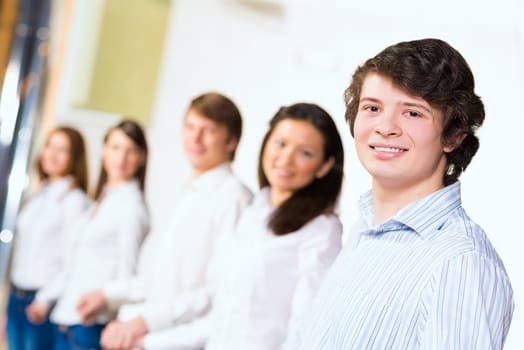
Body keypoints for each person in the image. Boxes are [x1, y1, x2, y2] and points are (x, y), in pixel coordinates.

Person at [282, 38, 514, 349]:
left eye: (413, 113)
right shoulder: (363, 229)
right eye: (372, 108)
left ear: (454, 136)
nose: (385, 127)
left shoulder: (461, 262)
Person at [135, 102, 345, 350]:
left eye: (305, 153)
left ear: (324, 166)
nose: (286, 158)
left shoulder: (321, 229)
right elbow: (221, 319)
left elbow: (305, 330)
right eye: (280, 143)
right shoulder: (254, 214)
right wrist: (147, 343)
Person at [76, 92, 253, 350]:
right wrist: (107, 294)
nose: (195, 138)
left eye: (209, 130)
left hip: (174, 340)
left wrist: (144, 324)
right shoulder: (191, 191)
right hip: (149, 333)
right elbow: (163, 279)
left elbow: (216, 294)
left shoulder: (234, 198)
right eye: (191, 127)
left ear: (231, 141)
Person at [25, 119, 150, 350]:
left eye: (131, 150)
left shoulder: (132, 208)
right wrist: (45, 298)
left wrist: (104, 296)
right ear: (104, 152)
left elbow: (128, 276)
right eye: (115, 148)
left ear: (142, 158)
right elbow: (75, 264)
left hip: (88, 325)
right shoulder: (103, 200)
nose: (120, 158)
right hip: (66, 320)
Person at [5, 126, 90, 350]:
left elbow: (73, 262)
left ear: (74, 158)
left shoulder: (75, 201)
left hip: (41, 302)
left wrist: (44, 300)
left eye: (61, 150)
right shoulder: (38, 193)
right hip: (17, 295)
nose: (52, 154)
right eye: (50, 146)